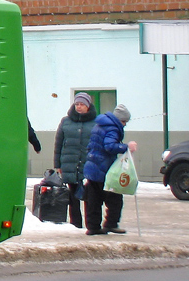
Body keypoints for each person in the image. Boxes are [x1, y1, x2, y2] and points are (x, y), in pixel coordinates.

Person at [83, 103, 138, 235]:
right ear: (119, 119)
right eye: (124, 121)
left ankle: (93, 227)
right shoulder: (112, 128)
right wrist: (126, 147)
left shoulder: (100, 125)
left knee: (94, 198)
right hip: (103, 167)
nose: (124, 124)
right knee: (114, 197)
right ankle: (111, 224)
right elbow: (109, 146)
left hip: (92, 164)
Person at [53, 92, 96, 228]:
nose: (79, 107)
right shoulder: (66, 121)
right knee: (72, 197)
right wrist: (57, 164)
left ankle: (91, 224)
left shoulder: (96, 122)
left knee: (90, 196)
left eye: (82, 104)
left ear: (88, 106)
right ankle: (75, 224)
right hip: (69, 164)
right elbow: (58, 143)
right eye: (77, 104)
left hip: (89, 164)